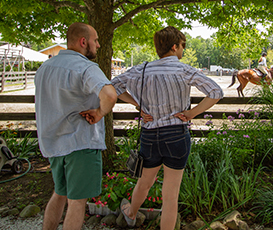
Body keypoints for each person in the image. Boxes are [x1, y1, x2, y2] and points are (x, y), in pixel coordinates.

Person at [111, 26, 223, 230]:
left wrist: (137, 105)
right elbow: (215, 91)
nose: (183, 50)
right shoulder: (183, 69)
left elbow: (111, 87)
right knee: (170, 195)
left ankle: (131, 213)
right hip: (176, 135)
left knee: (145, 181)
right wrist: (192, 113)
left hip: (150, 135)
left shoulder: (141, 69)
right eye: (182, 46)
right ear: (174, 46)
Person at [35, 22, 118, 230]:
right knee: (77, 202)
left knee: (59, 193)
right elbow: (109, 95)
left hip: (53, 144)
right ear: (83, 42)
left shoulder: (44, 68)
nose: (98, 45)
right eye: (96, 40)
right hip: (80, 143)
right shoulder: (85, 67)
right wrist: (99, 113)